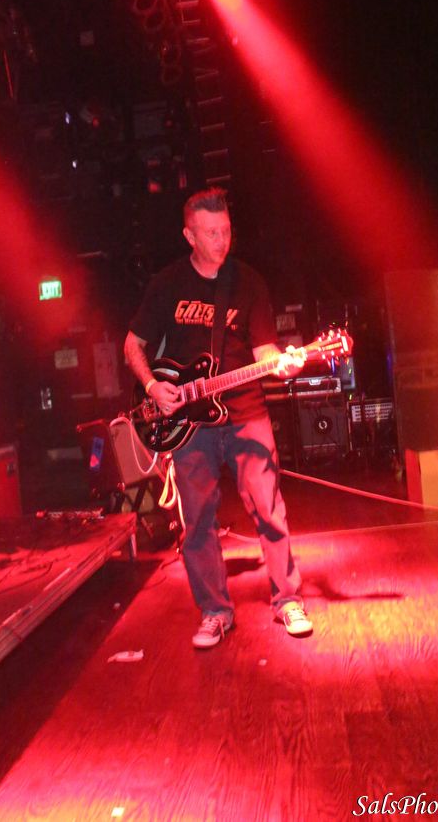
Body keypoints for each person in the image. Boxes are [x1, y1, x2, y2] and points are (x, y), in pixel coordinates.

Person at [124, 188, 313, 648]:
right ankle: (214, 611)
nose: (221, 240)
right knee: (198, 522)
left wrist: (285, 364)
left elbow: (265, 351)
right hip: (190, 423)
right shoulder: (168, 284)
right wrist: (152, 387)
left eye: (226, 230)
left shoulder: (249, 282)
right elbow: (132, 345)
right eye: (210, 233)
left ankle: (288, 599)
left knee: (269, 509)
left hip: (246, 410)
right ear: (189, 235)